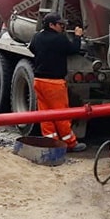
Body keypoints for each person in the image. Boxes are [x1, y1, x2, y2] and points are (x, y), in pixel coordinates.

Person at [28, 12, 86, 152]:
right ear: (51, 25)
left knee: (45, 115)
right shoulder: (59, 39)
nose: (63, 27)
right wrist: (78, 36)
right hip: (54, 83)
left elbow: (31, 48)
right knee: (62, 115)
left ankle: (51, 143)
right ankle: (71, 143)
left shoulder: (37, 37)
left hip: (38, 81)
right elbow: (73, 49)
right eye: (60, 25)